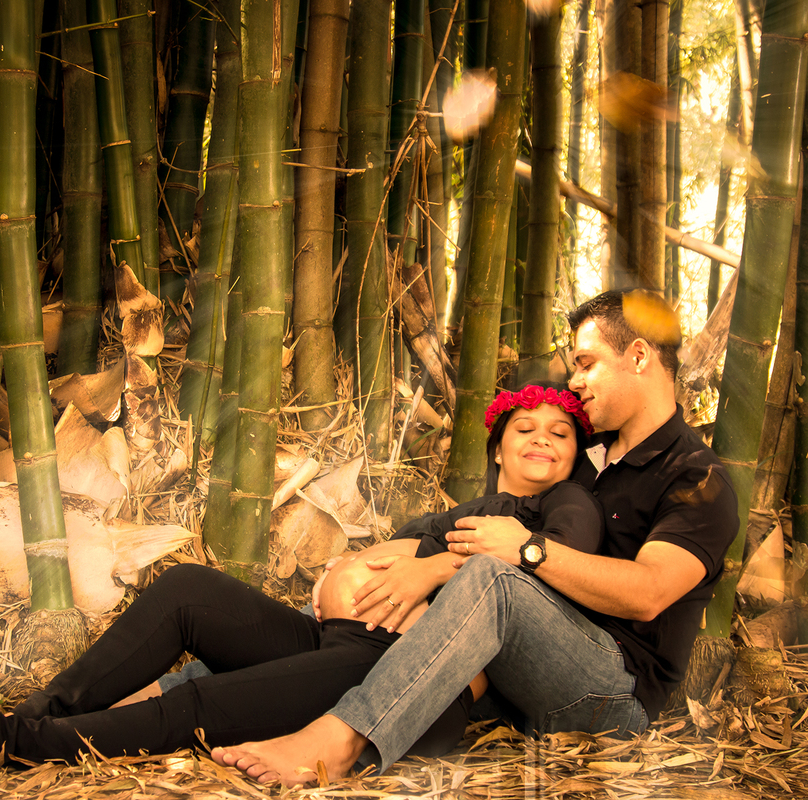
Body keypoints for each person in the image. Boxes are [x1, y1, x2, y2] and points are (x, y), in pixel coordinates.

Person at [0, 382, 603, 769]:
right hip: (340, 643)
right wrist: (343, 574)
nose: (543, 439)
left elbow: (532, 589)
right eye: (526, 428)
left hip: (400, 679)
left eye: (561, 432)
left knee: (208, 703)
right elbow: (385, 555)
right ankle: (35, 714)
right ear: (498, 444)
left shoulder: (565, 507)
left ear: (576, 454)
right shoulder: (467, 508)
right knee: (187, 590)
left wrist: (430, 569)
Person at [211, 288, 740, 787]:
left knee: (494, 579)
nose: (575, 382)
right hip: (509, 660)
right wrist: (368, 565)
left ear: (639, 356)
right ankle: (185, 698)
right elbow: (480, 521)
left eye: (586, 363)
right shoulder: (589, 450)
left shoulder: (697, 479)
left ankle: (342, 741)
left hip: (609, 688)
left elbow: (648, 592)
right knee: (374, 627)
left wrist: (528, 550)